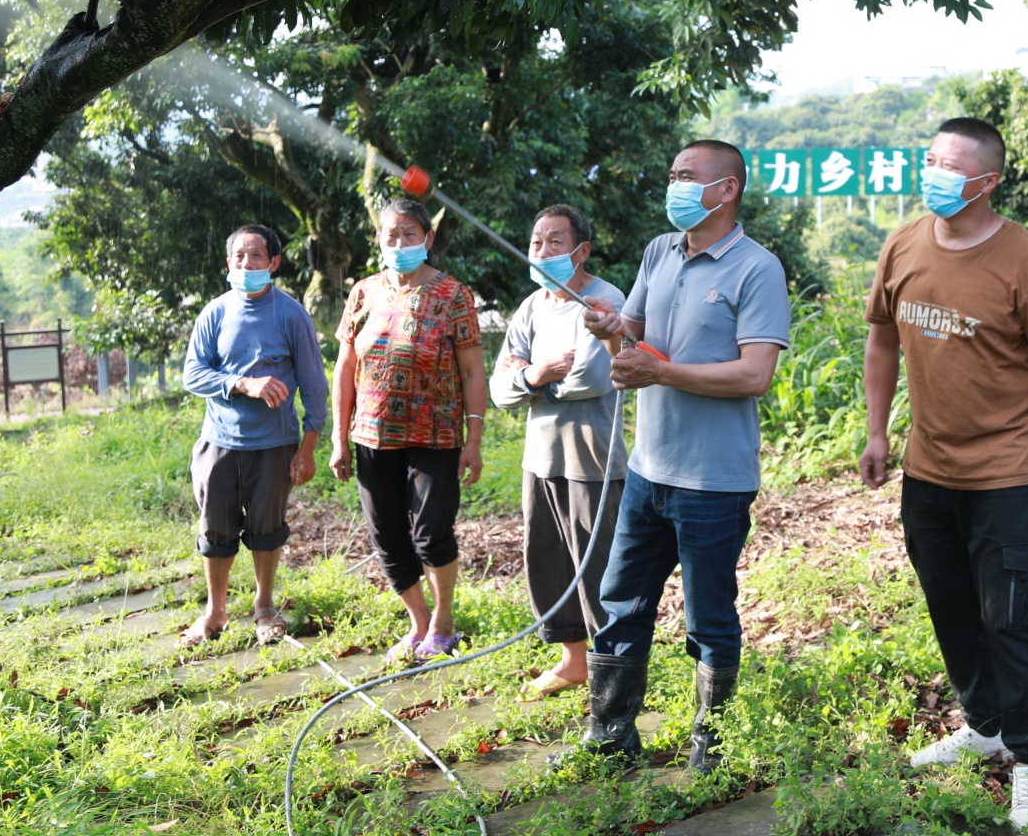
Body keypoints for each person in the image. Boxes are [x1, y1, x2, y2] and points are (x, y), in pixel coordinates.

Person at [858, 117, 1028, 824]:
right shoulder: (904, 244)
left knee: (1014, 618)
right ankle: (984, 726)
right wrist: (876, 433)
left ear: (988, 182)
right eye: (929, 161)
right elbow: (882, 343)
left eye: (951, 168)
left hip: (1009, 475)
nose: (936, 176)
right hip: (930, 471)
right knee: (952, 606)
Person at [575, 139, 792, 773]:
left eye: (687, 177)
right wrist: (612, 326)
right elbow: (637, 334)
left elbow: (755, 375)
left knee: (709, 617)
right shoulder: (658, 250)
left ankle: (710, 746)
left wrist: (661, 374)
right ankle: (610, 732)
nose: (674, 186)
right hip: (648, 469)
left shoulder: (757, 268)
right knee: (620, 602)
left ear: (726, 191)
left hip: (713, 481)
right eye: (671, 174)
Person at [330, 198, 488, 664]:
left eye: (409, 234)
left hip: (435, 435)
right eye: (390, 235)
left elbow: (473, 373)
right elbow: (345, 368)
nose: (398, 243)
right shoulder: (362, 292)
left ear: (428, 239)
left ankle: (443, 622)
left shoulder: (453, 295)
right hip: (372, 434)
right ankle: (418, 622)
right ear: (378, 240)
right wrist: (340, 436)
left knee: (431, 532)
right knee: (387, 534)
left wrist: (473, 439)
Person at [489, 204, 628, 700]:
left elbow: (592, 378)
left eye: (554, 242)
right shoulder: (532, 307)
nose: (542, 251)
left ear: (581, 250)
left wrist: (534, 377)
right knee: (547, 561)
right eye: (536, 242)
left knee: (597, 567)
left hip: (591, 458)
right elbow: (499, 389)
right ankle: (572, 662)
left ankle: (612, 671)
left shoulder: (603, 301)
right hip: (540, 458)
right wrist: (535, 374)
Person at [179, 224, 330, 647]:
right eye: (239, 257)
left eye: (256, 256)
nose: (247, 264)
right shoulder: (215, 312)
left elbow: (314, 384)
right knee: (215, 530)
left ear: (274, 263)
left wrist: (309, 446)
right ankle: (215, 611)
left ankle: (264, 606)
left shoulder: (291, 314)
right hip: (219, 441)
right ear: (229, 263)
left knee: (267, 528)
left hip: (274, 445)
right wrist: (243, 384)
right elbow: (193, 374)